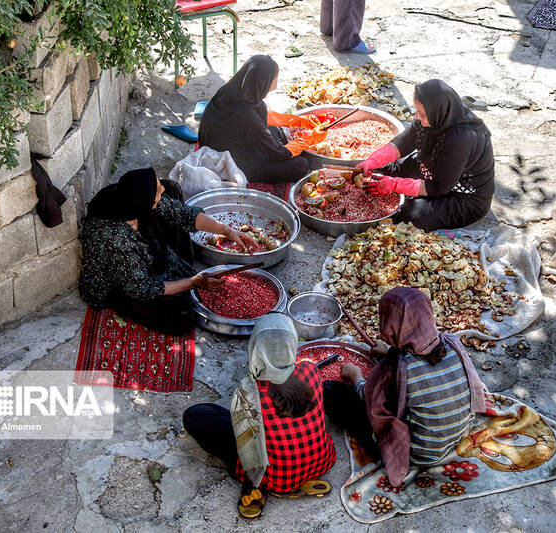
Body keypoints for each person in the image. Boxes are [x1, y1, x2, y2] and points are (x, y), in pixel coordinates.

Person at [323, 287, 490, 487]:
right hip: (457, 436)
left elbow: (373, 403)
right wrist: (388, 352)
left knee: (330, 392)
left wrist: (357, 377)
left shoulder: (398, 366)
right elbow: (427, 367)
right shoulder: (452, 342)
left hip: (417, 455)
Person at [183, 313, 336, 519]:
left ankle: (257, 489)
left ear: (255, 348)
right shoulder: (310, 370)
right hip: (323, 460)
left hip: (280, 480)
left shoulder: (248, 393)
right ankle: (303, 479)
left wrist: (251, 479)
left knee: (196, 416)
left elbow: (250, 450)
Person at [79, 168, 260, 335]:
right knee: (182, 316)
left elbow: (183, 214)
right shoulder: (118, 240)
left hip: (133, 256)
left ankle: (174, 269)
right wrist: (192, 282)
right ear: (144, 204)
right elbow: (143, 289)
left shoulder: (129, 198)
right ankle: (175, 274)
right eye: (158, 190)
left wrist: (229, 231)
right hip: (119, 285)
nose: (162, 190)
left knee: (172, 188)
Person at [357, 79, 496, 232]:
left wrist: (395, 185)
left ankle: (411, 203)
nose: (417, 117)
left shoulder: (461, 139)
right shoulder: (434, 116)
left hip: (464, 197)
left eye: (422, 114)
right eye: (417, 112)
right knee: (380, 172)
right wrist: (373, 160)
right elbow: (403, 142)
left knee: (412, 214)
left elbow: (438, 187)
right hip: (433, 170)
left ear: (438, 112)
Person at [198, 55, 326, 184]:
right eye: (274, 81)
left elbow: (259, 115)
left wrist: (297, 120)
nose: (275, 87)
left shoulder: (234, 89)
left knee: (267, 117)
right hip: (230, 162)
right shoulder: (246, 116)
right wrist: (308, 140)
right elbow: (279, 153)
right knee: (301, 164)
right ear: (261, 82)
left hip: (226, 140)